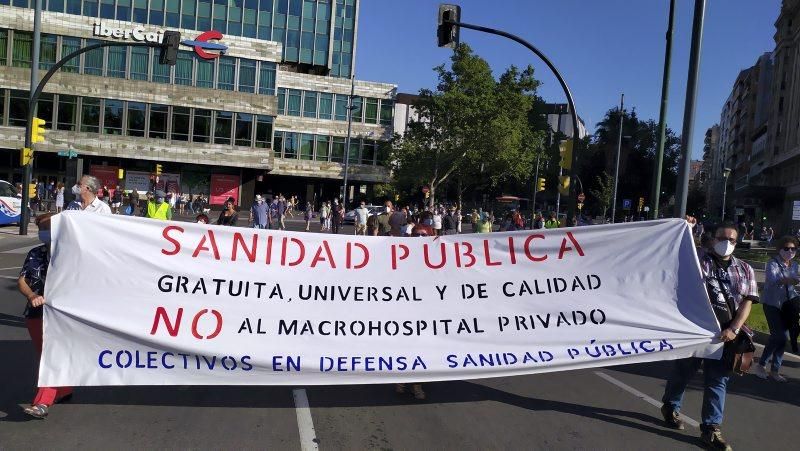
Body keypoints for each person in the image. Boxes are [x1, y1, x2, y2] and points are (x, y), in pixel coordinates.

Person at [660, 222, 758, 450]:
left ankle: (711, 430)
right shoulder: (697, 262)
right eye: (722, 238)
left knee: (717, 381)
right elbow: (676, 254)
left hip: (726, 336)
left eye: (732, 240)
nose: (727, 243)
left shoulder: (745, 269)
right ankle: (671, 406)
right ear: (712, 239)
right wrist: (687, 229)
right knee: (683, 372)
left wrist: (734, 329)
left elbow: (748, 302)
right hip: (696, 333)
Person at [19, 213, 73, 419]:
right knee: (46, 354)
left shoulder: (70, 254)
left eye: (48, 228)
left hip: (61, 315)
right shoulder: (35, 253)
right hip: (36, 313)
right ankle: (64, 389)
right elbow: (22, 281)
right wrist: (32, 295)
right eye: (42, 228)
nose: (44, 232)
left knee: (49, 357)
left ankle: (42, 402)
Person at [753, 236, 799, 382]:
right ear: (780, 249)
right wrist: (788, 280)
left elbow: (795, 281)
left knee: (782, 339)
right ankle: (761, 365)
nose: (790, 251)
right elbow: (772, 280)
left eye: (793, 249)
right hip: (772, 303)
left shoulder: (795, 265)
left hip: (788, 304)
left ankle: (775, 370)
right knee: (779, 336)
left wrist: (791, 280)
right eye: (786, 248)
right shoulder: (773, 263)